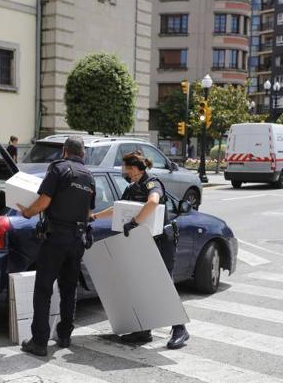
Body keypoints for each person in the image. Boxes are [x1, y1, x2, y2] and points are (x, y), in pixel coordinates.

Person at [90, 151, 190, 350]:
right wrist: (94, 217)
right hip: (142, 241)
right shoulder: (131, 187)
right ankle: (143, 330)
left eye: (124, 166)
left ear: (133, 168)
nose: (122, 169)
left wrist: (135, 221)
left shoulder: (152, 183)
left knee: (163, 281)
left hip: (162, 240)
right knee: (141, 283)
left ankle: (180, 329)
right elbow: (117, 209)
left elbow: (152, 202)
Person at [16, 136, 96, 357]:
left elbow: (43, 201)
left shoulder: (58, 169)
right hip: (77, 239)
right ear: (83, 153)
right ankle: (64, 336)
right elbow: (88, 213)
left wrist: (26, 212)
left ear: (64, 151)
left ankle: (39, 342)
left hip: (57, 237)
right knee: (69, 289)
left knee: (43, 289)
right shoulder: (89, 177)